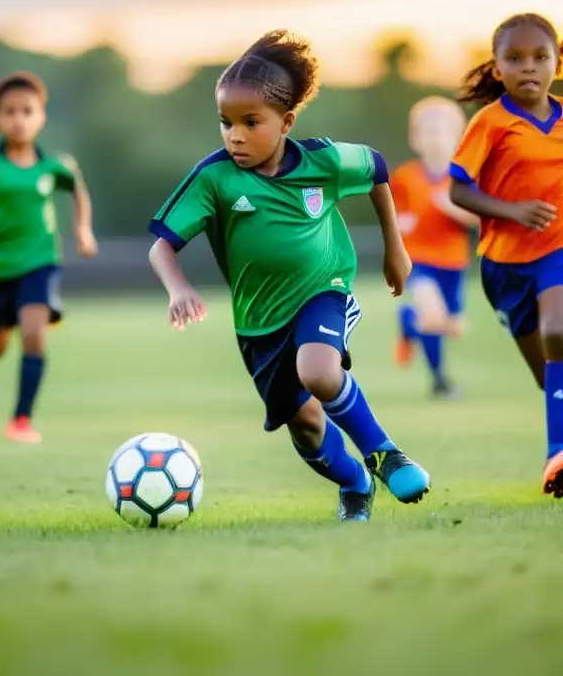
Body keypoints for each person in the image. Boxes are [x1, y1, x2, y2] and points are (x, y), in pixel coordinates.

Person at [147, 30, 430, 522]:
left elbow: (378, 169)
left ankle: (384, 454)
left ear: (286, 122)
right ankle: (356, 484)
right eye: (226, 122)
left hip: (324, 290)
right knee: (305, 424)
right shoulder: (214, 178)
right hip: (258, 323)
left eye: (250, 122)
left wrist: (395, 248)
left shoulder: (323, 161)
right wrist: (178, 287)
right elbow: (162, 247)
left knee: (319, 372)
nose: (234, 135)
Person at [448, 13, 563, 497]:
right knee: (547, 374)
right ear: (497, 67)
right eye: (514, 58)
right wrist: (509, 210)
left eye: (539, 57)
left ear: (557, 62)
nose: (527, 67)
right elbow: (458, 191)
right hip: (505, 265)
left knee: (559, 330)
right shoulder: (489, 123)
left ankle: (560, 454)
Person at [0, 71, 99, 444]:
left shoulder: (54, 166)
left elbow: (76, 189)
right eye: (10, 112)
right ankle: (1, 318)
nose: (19, 119)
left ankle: (21, 420)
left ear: (41, 116)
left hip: (39, 260)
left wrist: (82, 229)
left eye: (27, 111)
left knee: (34, 332)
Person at [390, 96, 478, 397]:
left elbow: (479, 219)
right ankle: (440, 381)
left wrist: (451, 207)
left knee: (453, 328)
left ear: (457, 138)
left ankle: (407, 323)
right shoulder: (404, 177)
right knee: (433, 315)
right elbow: (394, 212)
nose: (435, 139)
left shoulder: (464, 180)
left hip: (453, 262)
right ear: (416, 139)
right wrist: (400, 224)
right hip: (418, 260)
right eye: (428, 132)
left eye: (442, 132)